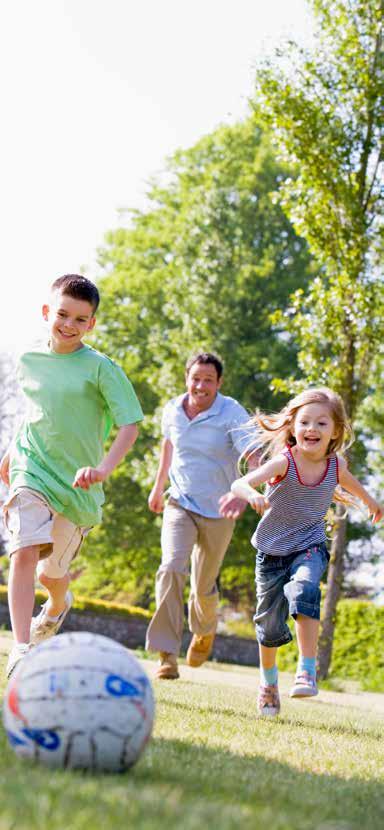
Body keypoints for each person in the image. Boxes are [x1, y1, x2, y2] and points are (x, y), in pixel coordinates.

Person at [0, 274, 143, 677]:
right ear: (47, 313)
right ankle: (22, 647)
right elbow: (35, 413)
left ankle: (59, 603)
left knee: (51, 574)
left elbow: (130, 423)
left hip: (78, 487)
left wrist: (103, 469)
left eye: (80, 319)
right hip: (33, 469)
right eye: (62, 314)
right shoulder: (29, 360)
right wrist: (10, 458)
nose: (69, 324)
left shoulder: (101, 368)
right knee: (24, 550)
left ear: (91, 324)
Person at [230, 387, 383, 717]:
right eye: (305, 422)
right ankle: (268, 685)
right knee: (269, 628)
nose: (312, 429)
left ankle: (306, 669)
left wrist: (371, 502)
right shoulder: (284, 461)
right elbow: (240, 484)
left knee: (305, 590)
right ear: (293, 427)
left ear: (335, 431)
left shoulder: (335, 464)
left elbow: (352, 484)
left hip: (310, 545)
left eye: (322, 423)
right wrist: (250, 495)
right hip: (271, 552)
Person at [145, 352, 259, 679]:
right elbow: (169, 446)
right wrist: (158, 487)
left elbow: (253, 457)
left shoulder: (231, 412)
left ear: (219, 383)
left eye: (208, 380)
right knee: (170, 567)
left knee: (203, 586)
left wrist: (244, 492)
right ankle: (167, 654)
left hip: (220, 509)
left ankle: (205, 630)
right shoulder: (172, 410)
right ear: (186, 378)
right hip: (180, 501)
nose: (201, 385)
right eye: (196, 378)